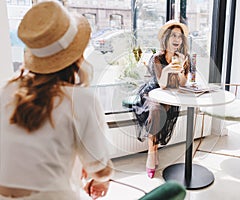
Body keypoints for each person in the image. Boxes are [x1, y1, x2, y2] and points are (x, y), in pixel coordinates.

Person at [0, 1, 113, 199]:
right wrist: (101, 180)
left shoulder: (6, 89)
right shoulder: (81, 100)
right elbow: (101, 170)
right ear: (77, 55)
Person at [133, 20, 190, 178]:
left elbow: (183, 83)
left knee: (161, 111)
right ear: (166, 38)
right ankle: (152, 153)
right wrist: (168, 69)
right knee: (156, 110)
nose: (177, 39)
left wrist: (181, 67)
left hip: (170, 95)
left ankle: (154, 149)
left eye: (179, 36)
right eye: (173, 35)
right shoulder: (157, 57)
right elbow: (162, 84)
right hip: (152, 92)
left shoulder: (184, 57)